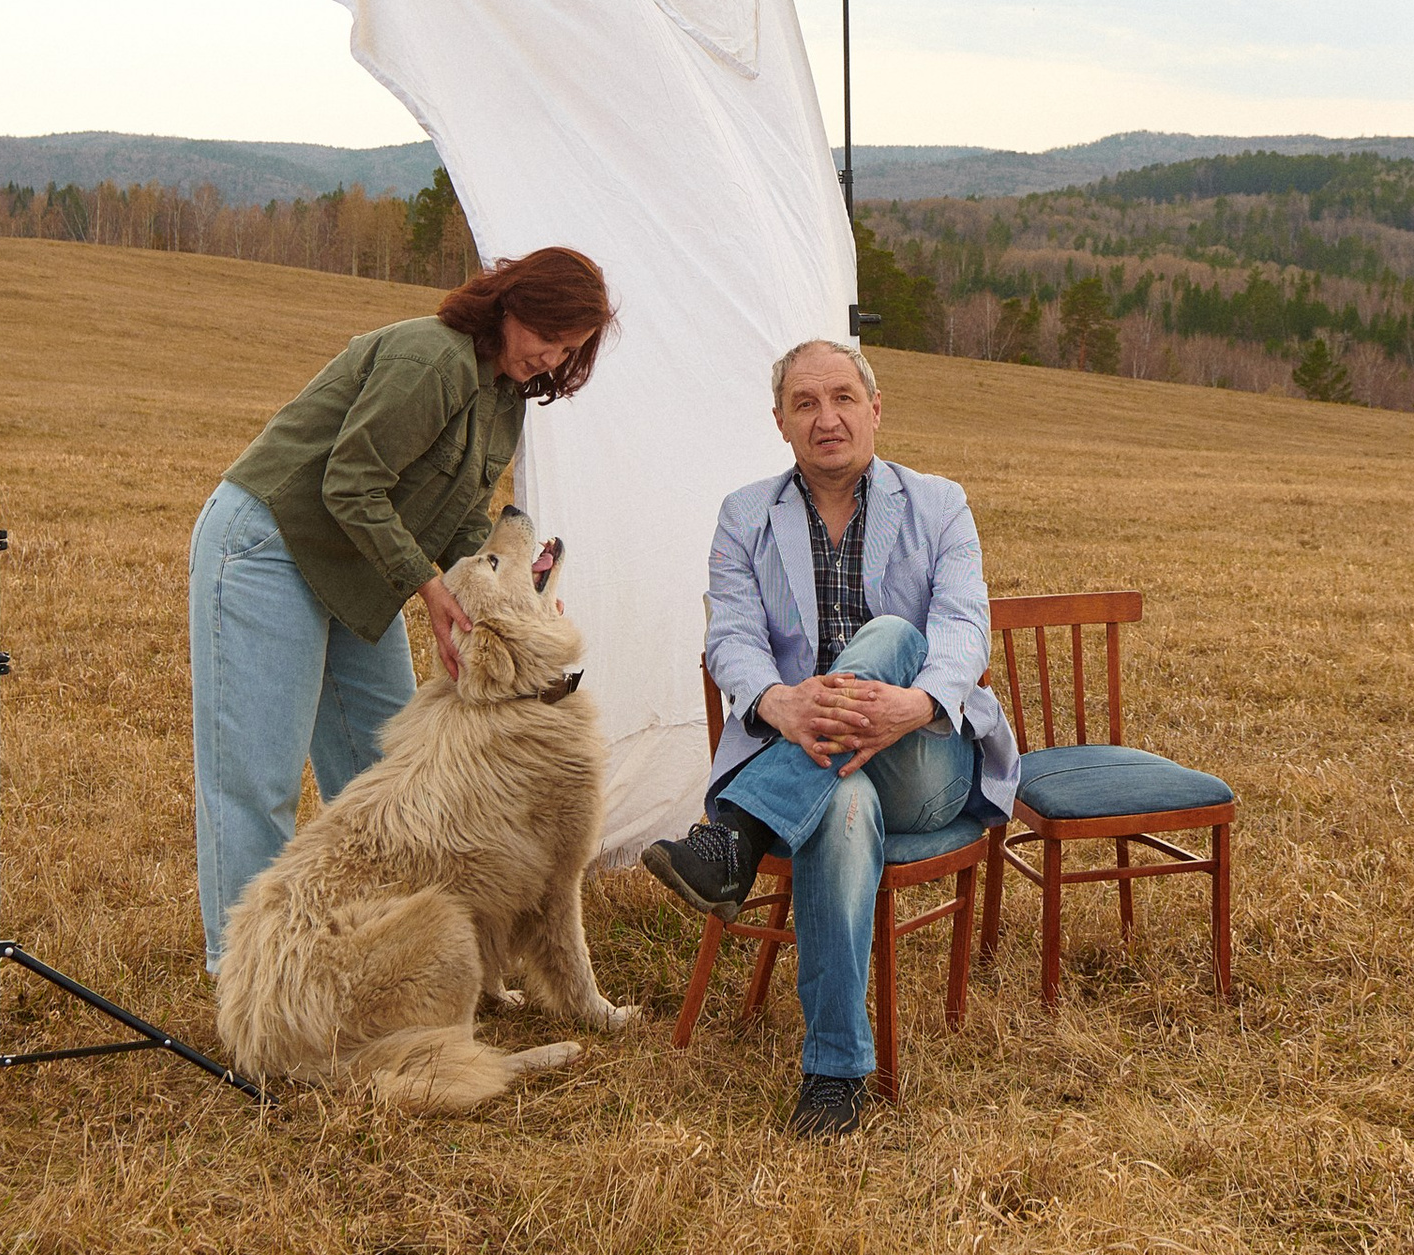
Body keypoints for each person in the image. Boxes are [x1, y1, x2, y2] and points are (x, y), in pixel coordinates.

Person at [188, 246, 615, 967]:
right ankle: (246, 979)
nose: (552, 359)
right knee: (255, 780)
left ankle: (363, 964)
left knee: (386, 770)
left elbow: (454, 517)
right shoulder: (433, 359)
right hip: (272, 546)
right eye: (551, 337)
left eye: (569, 351)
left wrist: (514, 595)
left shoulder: (505, 398)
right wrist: (429, 588)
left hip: (357, 565)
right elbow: (350, 483)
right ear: (513, 304)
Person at [642, 335, 1017, 1138]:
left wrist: (914, 704)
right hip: (815, 759)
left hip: (926, 761)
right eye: (805, 402)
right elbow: (731, 640)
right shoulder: (746, 514)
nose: (827, 417)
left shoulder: (939, 502)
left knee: (886, 634)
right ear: (779, 422)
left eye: (843, 397)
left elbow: (962, 629)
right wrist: (780, 701)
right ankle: (834, 1075)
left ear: (875, 409)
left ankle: (736, 833)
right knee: (841, 806)